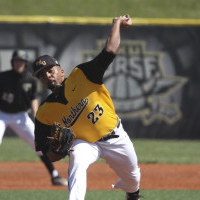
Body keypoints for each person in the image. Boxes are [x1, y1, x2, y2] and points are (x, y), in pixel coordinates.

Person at [32, 14, 141, 200]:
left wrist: (116, 24)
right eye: (42, 75)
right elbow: (47, 154)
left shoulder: (82, 75)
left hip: (114, 136)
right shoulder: (44, 113)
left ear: (61, 71)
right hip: (85, 143)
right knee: (77, 160)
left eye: (50, 71)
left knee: (133, 179)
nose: (47, 76)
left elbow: (110, 51)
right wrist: (56, 150)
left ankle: (133, 194)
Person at [0, 49, 68, 187]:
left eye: (21, 61)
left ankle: (55, 177)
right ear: (12, 62)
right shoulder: (2, 77)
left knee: (39, 145)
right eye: (16, 61)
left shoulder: (31, 80)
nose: (18, 63)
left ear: (25, 63)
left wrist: (37, 116)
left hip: (20, 116)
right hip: (0, 114)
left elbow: (33, 99)